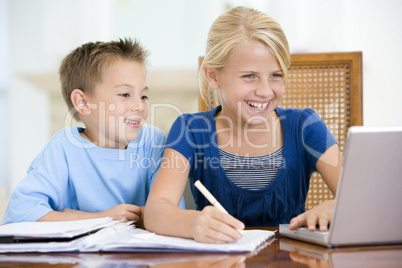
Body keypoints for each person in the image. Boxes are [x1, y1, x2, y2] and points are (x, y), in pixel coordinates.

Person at [144, 6, 342, 243]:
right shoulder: (191, 131)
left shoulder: (305, 127)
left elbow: (363, 199)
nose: (265, 91)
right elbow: (156, 211)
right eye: (249, 76)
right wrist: (193, 223)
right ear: (213, 76)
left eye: (276, 75)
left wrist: (338, 207)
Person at [2, 38, 184, 225]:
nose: (139, 105)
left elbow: (173, 213)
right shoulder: (62, 149)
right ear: (82, 102)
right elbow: (19, 214)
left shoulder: (154, 142)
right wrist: (102, 218)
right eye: (125, 94)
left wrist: (72, 216)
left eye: (144, 96)